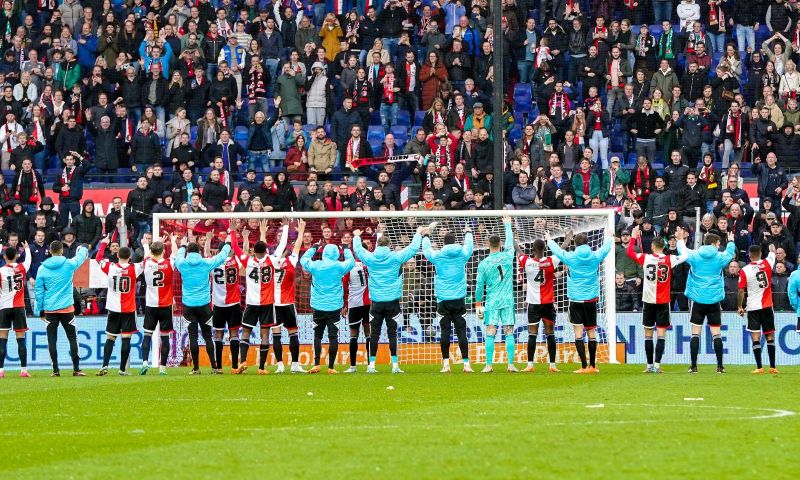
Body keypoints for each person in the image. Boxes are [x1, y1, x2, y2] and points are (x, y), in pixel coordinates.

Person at [352, 224, 424, 374]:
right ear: (390, 245)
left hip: (376, 303)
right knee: (392, 333)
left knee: (374, 334)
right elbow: (412, 249)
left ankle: (371, 365)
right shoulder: (396, 257)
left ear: (377, 245)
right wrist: (418, 233)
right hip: (392, 302)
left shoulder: (370, 258)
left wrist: (357, 236)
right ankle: (395, 366)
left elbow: (358, 250)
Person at [545, 225, 613, 373]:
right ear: (588, 243)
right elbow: (606, 249)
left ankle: (583, 366)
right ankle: (593, 366)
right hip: (590, 300)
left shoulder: (571, 257)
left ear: (575, 244)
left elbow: (557, 252)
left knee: (578, 332)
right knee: (591, 332)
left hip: (575, 300)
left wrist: (549, 240)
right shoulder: (595, 256)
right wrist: (608, 236)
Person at [676, 227, 736, 373]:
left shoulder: (695, 255)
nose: (719, 246)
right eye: (718, 243)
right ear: (714, 243)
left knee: (695, 333)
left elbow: (682, 252)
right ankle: (720, 366)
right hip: (714, 300)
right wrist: (731, 242)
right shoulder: (720, 257)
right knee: (716, 333)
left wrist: (679, 239)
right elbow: (730, 254)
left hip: (697, 299)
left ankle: (694, 366)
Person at [628, 226, 687, 373]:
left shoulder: (646, 258)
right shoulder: (669, 259)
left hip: (648, 301)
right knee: (661, 334)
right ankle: (657, 366)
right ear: (664, 246)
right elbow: (685, 256)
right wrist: (680, 241)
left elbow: (629, 252)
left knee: (648, 333)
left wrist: (633, 236)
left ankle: (648, 366)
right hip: (663, 302)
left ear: (653, 247)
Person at [234, 221, 288, 375]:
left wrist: (233, 232)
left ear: (254, 251)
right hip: (267, 303)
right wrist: (285, 227)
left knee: (245, 332)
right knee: (265, 334)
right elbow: (282, 245)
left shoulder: (248, 261)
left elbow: (236, 249)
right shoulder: (272, 260)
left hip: (251, 303)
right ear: (266, 250)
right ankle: (262, 368)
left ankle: (243, 361)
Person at [174, 233, 232, 375]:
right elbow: (222, 257)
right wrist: (228, 244)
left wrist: (182, 245)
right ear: (199, 252)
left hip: (188, 305)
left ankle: (196, 368)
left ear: (188, 252)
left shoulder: (182, 264)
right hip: (204, 305)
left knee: (192, 336)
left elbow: (178, 256)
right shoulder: (206, 263)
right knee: (208, 337)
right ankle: (214, 367)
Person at [421, 222, 474, 374]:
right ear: (455, 241)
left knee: (445, 332)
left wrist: (426, 235)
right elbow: (469, 246)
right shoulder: (462, 254)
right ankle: (466, 364)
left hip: (443, 300)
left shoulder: (438, 256)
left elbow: (426, 251)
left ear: (443, 243)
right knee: (461, 332)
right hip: (458, 299)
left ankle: (446, 364)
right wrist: (468, 232)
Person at [33, 240, 89, 377]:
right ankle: (76, 369)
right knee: (73, 338)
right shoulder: (68, 264)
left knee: (51, 340)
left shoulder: (42, 268)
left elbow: (38, 291)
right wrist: (84, 248)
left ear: (50, 251)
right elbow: (81, 257)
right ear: (62, 251)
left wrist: (39, 310)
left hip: (50, 309)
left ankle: (55, 370)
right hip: (67, 309)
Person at [299, 239, 355, 374]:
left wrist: (313, 248)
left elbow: (303, 259)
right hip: (334, 306)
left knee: (317, 335)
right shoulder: (339, 266)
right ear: (336, 253)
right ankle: (331, 367)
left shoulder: (316, 265)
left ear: (323, 253)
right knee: (333, 336)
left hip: (318, 306)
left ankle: (316, 364)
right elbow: (351, 262)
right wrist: (346, 248)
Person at [95, 237, 145, 376]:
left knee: (110, 338)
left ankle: (104, 365)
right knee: (126, 338)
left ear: (117, 255)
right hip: (128, 309)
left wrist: (104, 243)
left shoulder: (110, 267)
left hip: (113, 308)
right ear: (130, 257)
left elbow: (98, 258)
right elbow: (146, 261)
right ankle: (122, 369)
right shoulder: (134, 268)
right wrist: (146, 246)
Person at [475, 215, 516, 373]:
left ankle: (489, 365)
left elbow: (479, 286)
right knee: (509, 332)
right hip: (507, 300)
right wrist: (507, 225)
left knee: (490, 332)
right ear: (500, 244)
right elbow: (510, 242)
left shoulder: (483, 264)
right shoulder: (507, 256)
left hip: (491, 302)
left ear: (487, 244)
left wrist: (478, 304)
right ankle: (511, 365)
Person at [519, 238, 566, 373]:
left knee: (532, 334)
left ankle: (530, 365)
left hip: (533, 305)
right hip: (548, 304)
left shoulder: (527, 262)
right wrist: (568, 238)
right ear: (545, 249)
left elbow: (518, 251)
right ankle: (552, 365)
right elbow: (560, 250)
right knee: (550, 334)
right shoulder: (551, 261)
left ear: (533, 249)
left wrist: (514, 238)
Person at [737, 244, 779, 374]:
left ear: (749, 255)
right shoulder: (768, 263)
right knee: (769, 335)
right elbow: (772, 250)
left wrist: (740, 306)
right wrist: (771, 245)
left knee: (755, 336)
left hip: (753, 307)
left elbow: (740, 290)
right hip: (767, 306)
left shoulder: (745, 270)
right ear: (761, 253)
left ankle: (759, 367)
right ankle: (772, 367)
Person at [271, 220, 306, 374]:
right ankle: (295, 365)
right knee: (293, 333)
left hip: (273, 304)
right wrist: (301, 231)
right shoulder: (291, 262)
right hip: (288, 303)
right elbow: (297, 247)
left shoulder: (270, 262)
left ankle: (280, 366)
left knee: (276, 335)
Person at [139, 237, 176, 376]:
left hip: (151, 305)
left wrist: (146, 246)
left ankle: (144, 363)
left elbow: (146, 255)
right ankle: (162, 368)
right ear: (163, 251)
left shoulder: (147, 263)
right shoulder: (169, 263)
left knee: (147, 335)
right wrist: (172, 241)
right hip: (166, 305)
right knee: (165, 337)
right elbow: (176, 254)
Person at [0, 243, 31, 378]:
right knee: (21, 339)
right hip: (19, 307)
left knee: (2, 340)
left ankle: (0, 370)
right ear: (17, 256)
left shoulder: (1, 271)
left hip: (4, 308)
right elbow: (29, 259)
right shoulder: (22, 267)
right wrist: (27, 248)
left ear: (5, 257)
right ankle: (23, 370)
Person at [343, 241, 371, 373]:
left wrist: (344, 305)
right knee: (368, 333)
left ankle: (353, 366)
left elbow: (344, 285)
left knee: (353, 334)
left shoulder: (350, 266)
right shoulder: (370, 264)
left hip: (354, 303)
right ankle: (371, 365)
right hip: (369, 303)